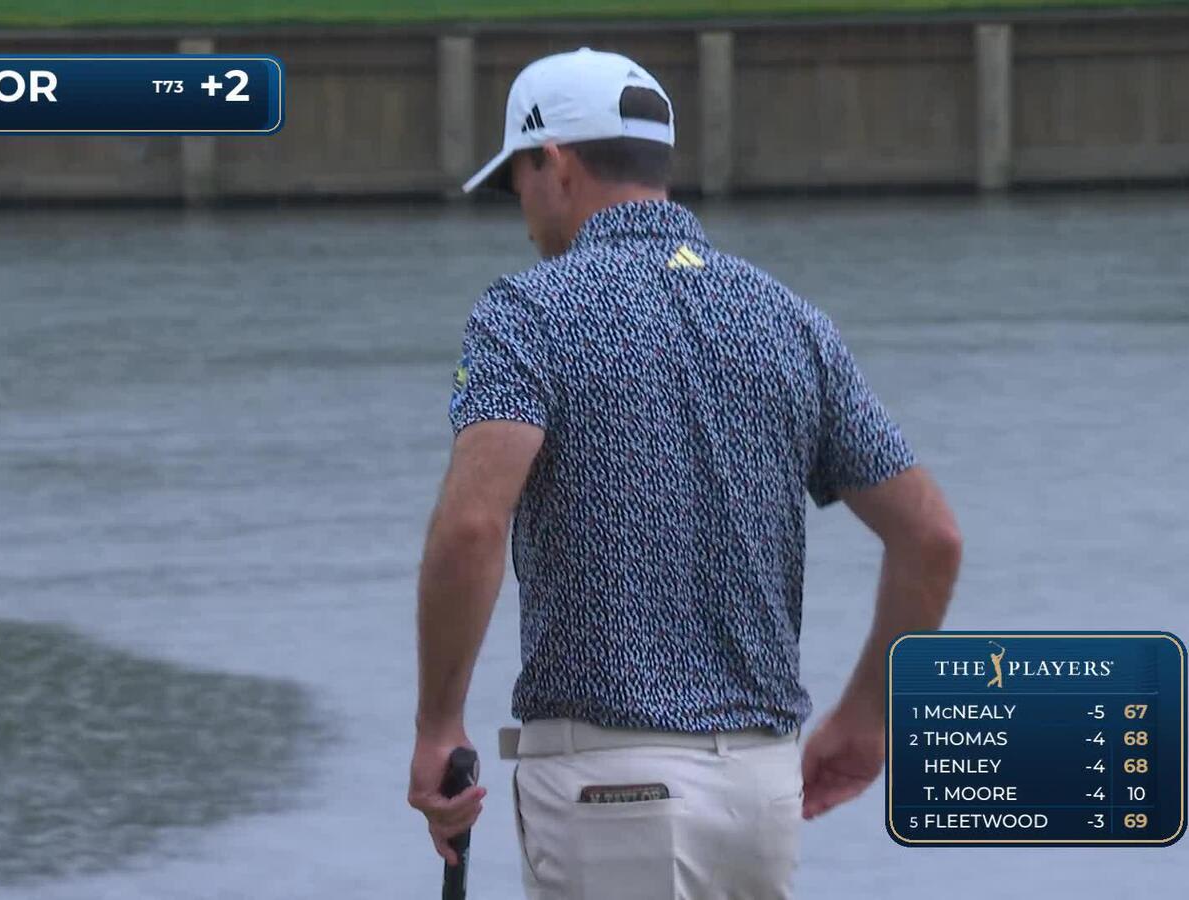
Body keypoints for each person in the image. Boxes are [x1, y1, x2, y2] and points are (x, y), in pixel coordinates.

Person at [407, 47, 962, 899]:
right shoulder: (786, 320)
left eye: (515, 180)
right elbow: (930, 539)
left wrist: (438, 719)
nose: (520, 212)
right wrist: (867, 716)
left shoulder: (525, 315)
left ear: (553, 164)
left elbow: (474, 524)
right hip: (760, 796)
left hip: (605, 787)